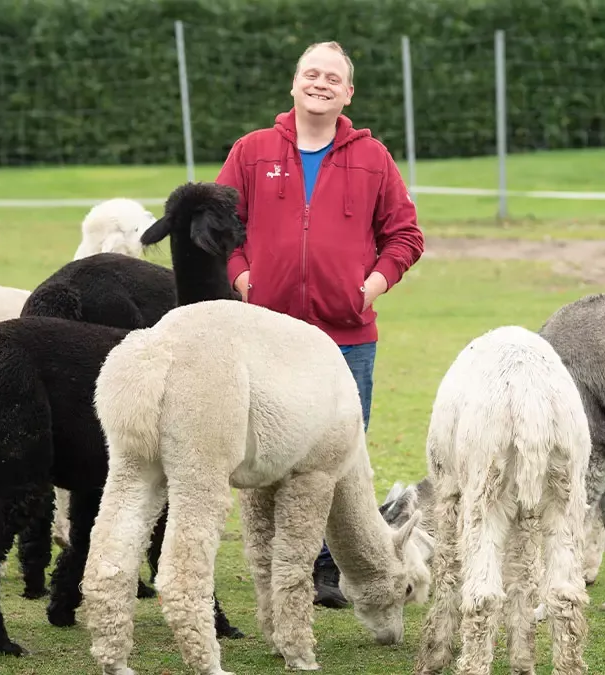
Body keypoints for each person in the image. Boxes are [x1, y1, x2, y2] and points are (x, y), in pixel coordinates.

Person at [214, 40, 425, 608]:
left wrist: (372, 285)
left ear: (348, 92)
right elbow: (220, 226)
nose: (321, 83)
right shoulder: (252, 151)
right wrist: (242, 280)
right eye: (312, 74)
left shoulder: (372, 157)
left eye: (334, 77)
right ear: (294, 83)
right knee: (263, 446)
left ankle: (325, 569)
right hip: (267, 335)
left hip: (346, 337)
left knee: (338, 455)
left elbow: (405, 235)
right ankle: (277, 565)